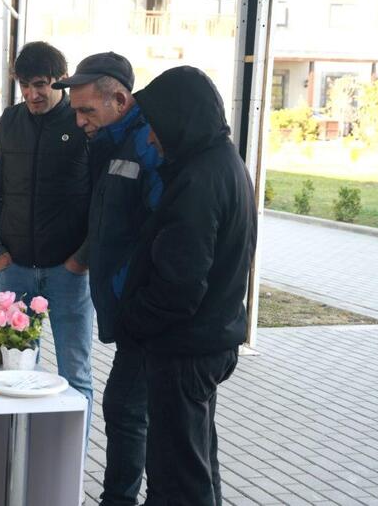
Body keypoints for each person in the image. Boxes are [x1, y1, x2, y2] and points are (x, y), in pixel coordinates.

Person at [120, 66, 257, 505]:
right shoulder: (223, 164)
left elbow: (179, 285)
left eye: (157, 128)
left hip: (186, 348)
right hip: (207, 340)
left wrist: (134, 318)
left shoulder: (200, 179)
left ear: (181, 119)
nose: (153, 139)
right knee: (196, 465)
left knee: (177, 476)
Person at [54, 52, 163, 506]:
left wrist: (137, 298)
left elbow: (166, 234)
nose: (78, 120)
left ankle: (120, 500)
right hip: (126, 303)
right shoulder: (108, 140)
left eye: (86, 110)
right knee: (127, 410)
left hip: (148, 308)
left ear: (120, 98)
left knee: (129, 411)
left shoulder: (149, 145)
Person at [0, 41, 93, 408]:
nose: (32, 94)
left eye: (41, 84)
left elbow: (100, 200)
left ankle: (69, 465)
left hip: (68, 273)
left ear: (61, 81)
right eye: (25, 85)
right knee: (15, 371)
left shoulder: (82, 125)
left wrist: (81, 260)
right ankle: (25, 458)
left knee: (75, 373)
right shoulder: (9, 123)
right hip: (14, 271)